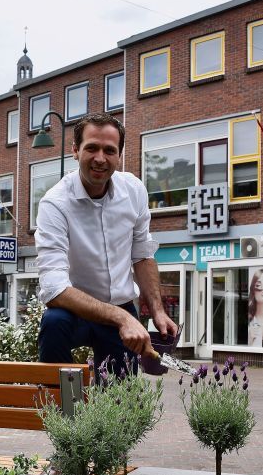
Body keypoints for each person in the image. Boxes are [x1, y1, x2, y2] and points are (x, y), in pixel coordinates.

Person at [35, 113, 177, 376]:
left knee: (120, 407)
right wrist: (124, 318)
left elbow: (142, 255)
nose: (100, 158)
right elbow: (54, 289)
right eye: (92, 148)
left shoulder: (134, 190)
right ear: (76, 151)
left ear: (119, 156)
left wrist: (158, 312)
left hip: (121, 305)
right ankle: (58, 405)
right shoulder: (54, 203)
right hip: (74, 310)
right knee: (53, 322)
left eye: (109, 150)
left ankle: (116, 414)